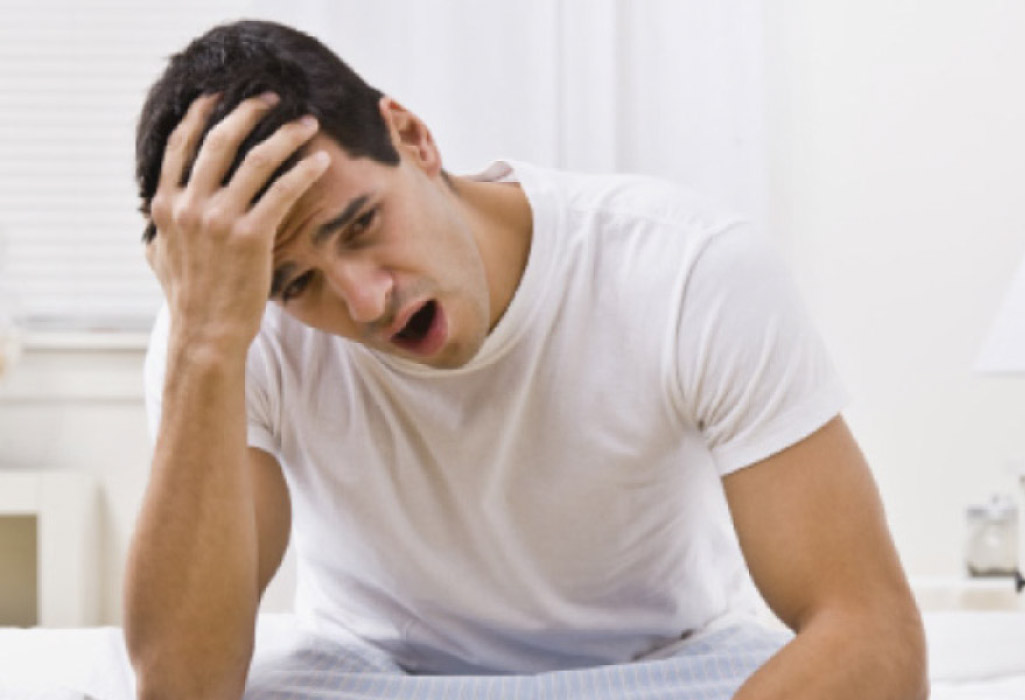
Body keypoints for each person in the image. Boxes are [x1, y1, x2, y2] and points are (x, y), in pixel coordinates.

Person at [125, 19, 928, 700]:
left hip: (666, 671)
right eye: (299, 283)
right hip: (376, 677)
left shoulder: (685, 270)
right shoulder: (225, 330)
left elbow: (872, 636)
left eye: (361, 225)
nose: (365, 302)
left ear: (412, 137)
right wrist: (201, 346)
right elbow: (184, 684)